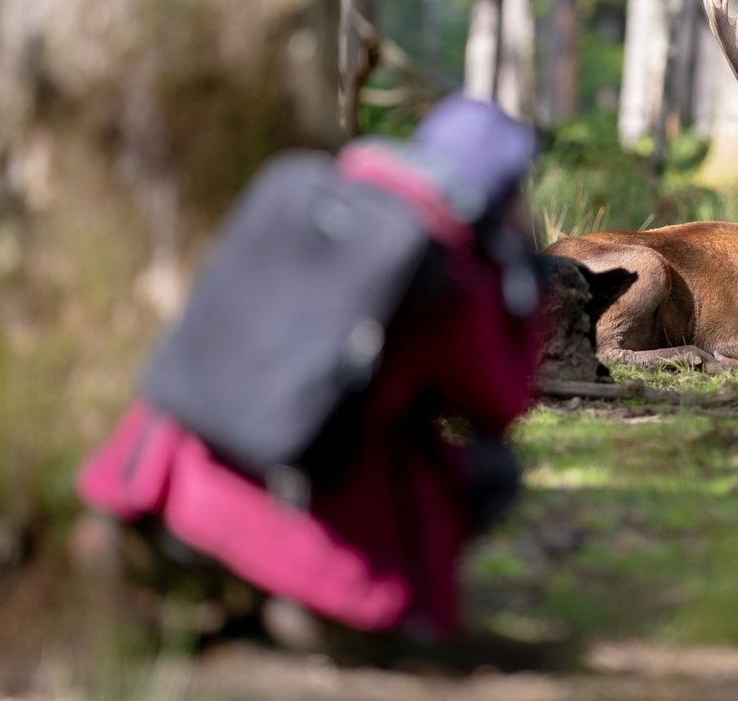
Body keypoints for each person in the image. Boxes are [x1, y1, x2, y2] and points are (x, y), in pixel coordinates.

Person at [74, 97, 542, 653]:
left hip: (162, 465)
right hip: (306, 502)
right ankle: (319, 601)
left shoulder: (301, 186)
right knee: (491, 470)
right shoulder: (446, 266)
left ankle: (161, 553)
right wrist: (521, 281)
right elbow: (501, 401)